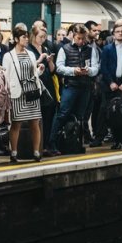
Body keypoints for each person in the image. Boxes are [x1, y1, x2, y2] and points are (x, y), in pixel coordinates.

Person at [49, 24, 99, 152]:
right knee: (63, 114)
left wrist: (88, 71)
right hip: (70, 86)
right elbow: (59, 67)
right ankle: (52, 142)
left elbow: (96, 68)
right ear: (73, 36)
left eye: (83, 38)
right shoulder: (64, 49)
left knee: (81, 117)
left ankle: (76, 142)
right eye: (79, 38)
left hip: (85, 87)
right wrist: (73, 71)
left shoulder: (90, 49)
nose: (81, 41)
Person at [92, 22, 122, 150]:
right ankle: (114, 140)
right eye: (118, 31)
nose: (120, 33)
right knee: (109, 112)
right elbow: (103, 67)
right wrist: (111, 82)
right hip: (109, 85)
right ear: (113, 34)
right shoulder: (107, 49)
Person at [3, 25, 45, 162]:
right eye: (23, 37)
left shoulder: (31, 54)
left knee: (35, 122)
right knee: (16, 124)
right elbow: (6, 76)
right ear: (16, 39)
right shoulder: (8, 56)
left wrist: (39, 71)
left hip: (32, 91)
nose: (27, 39)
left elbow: (32, 73)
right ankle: (14, 152)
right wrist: (7, 94)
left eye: (27, 36)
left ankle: (36, 152)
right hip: (17, 93)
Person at [29, 25, 58, 156]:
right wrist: (39, 60)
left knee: (48, 115)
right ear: (33, 36)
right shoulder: (29, 50)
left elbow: (52, 71)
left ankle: (46, 144)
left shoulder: (46, 48)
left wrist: (50, 61)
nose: (42, 39)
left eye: (44, 37)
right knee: (38, 117)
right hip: (36, 86)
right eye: (40, 37)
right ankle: (38, 146)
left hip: (47, 85)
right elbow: (28, 67)